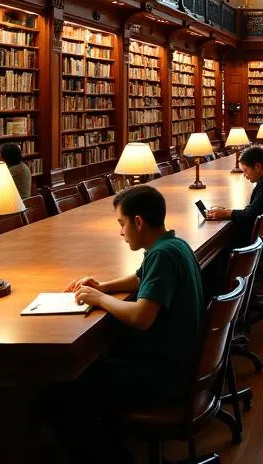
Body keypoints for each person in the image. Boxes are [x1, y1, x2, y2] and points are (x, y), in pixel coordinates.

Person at [56, 185, 205, 463]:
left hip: (164, 374)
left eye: (122, 224)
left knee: (66, 395)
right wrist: (104, 286)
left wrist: (100, 298)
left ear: (138, 221)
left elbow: (141, 317)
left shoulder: (162, 254)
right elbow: (140, 279)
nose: (120, 232)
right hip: (181, 362)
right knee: (94, 372)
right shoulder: (173, 245)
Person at [205, 146, 263, 262]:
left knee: (223, 247)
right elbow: (254, 210)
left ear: (258, 166)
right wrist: (229, 212)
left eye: (246, 170)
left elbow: (249, 215)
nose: (245, 175)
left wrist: (226, 213)